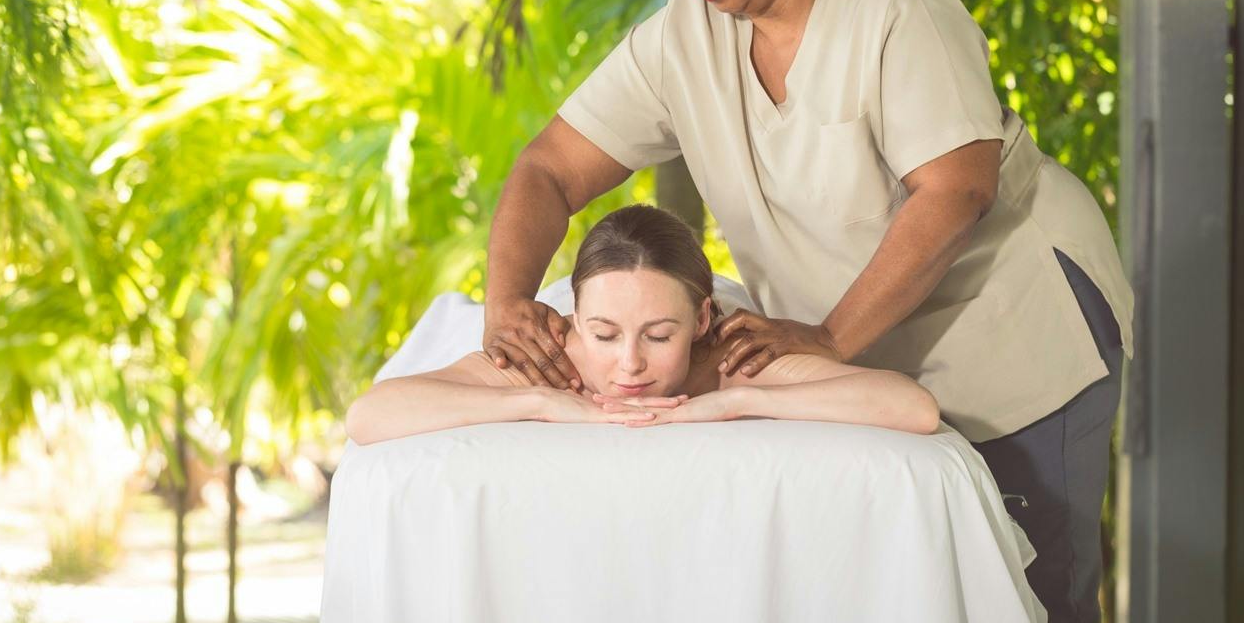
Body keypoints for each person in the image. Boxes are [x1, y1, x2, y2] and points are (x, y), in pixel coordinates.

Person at [480, 0, 1132, 623]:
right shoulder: (681, 36)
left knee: (1036, 606)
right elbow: (547, 168)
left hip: (1016, 319)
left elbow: (956, 189)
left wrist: (826, 337)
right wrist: (505, 303)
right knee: (904, 612)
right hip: (860, 353)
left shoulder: (899, 11)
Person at [346, 204, 939, 446]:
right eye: (606, 335)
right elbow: (369, 414)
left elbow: (911, 408)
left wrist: (733, 401)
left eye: (659, 336)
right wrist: (540, 402)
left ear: (701, 320)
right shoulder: (556, 353)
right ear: (578, 322)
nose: (629, 364)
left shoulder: (727, 352)